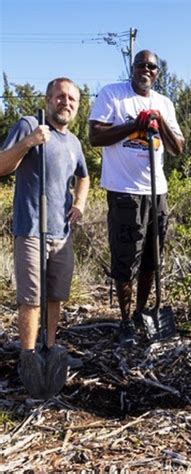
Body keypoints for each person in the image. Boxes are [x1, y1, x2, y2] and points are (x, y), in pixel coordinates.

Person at [89, 50, 184, 347]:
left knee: (152, 261)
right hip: (124, 192)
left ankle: (144, 313)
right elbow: (95, 136)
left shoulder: (164, 103)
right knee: (126, 260)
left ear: (158, 72)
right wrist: (135, 125)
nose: (146, 69)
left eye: (152, 66)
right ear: (133, 68)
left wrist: (158, 122)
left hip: (157, 192)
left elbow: (178, 148)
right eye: (141, 64)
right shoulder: (113, 95)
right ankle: (125, 319)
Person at [0, 78, 90, 368]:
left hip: (61, 232)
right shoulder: (29, 125)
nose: (66, 103)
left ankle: (50, 350)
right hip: (30, 229)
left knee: (55, 295)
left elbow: (84, 177)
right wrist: (29, 143)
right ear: (48, 99)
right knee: (31, 298)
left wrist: (79, 203)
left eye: (72, 99)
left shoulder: (74, 142)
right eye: (60, 97)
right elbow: (2, 166)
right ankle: (28, 358)